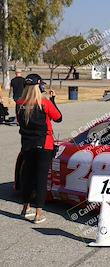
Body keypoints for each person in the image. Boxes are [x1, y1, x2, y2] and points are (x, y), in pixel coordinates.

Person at [16, 74, 62, 223]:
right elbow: (58, 117)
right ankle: (39, 213)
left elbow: (20, 122)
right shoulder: (44, 102)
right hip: (44, 144)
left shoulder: (19, 103)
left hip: (27, 145)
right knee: (41, 179)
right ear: (38, 86)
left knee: (27, 176)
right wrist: (53, 100)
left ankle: (25, 208)